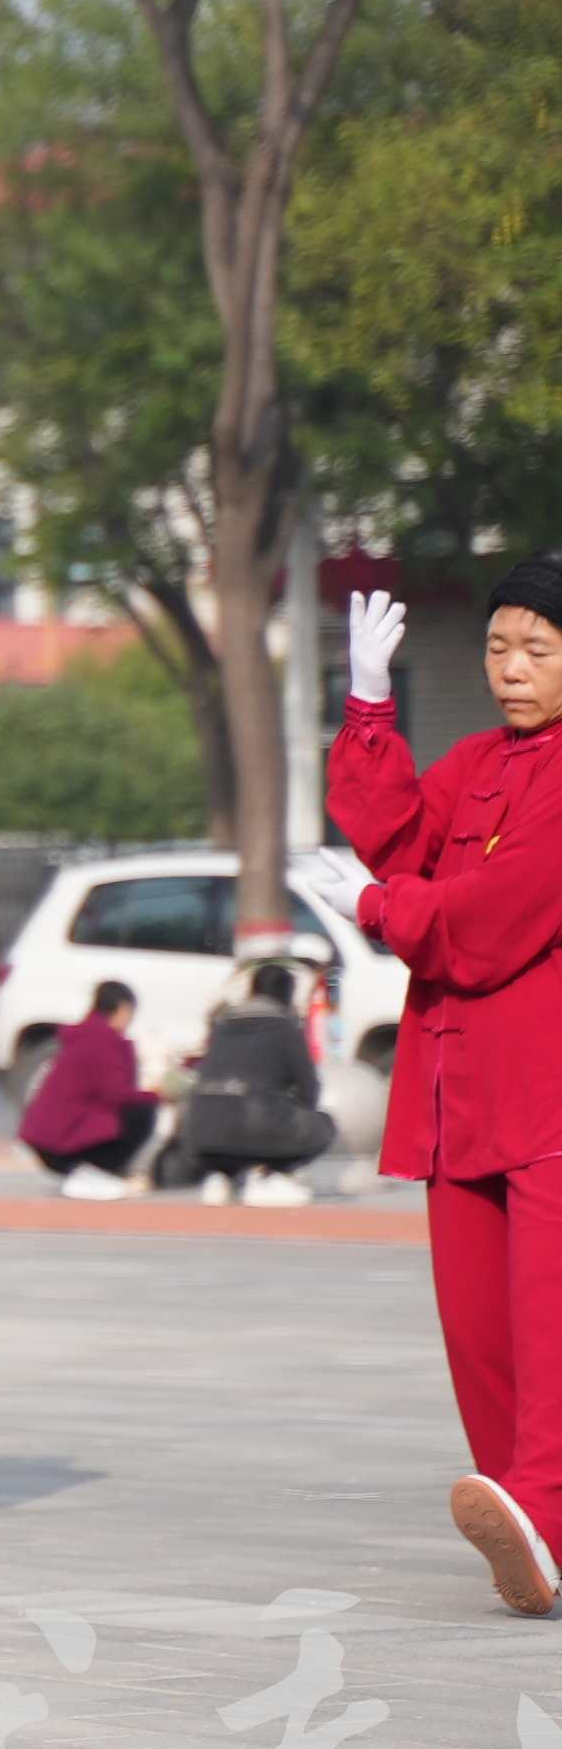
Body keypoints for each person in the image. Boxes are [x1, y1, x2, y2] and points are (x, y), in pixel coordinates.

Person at [315, 566, 562, 1617]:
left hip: (546, 1094)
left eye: (536, 650)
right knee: (476, 1331)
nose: (510, 667)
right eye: (499, 646)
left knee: (550, 1325)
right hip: (456, 1089)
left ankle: (542, 1510)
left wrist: (379, 906)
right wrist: (370, 701)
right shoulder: (473, 759)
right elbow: (398, 834)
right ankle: (531, 1513)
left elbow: (491, 914)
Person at [179, 963, 334, 1210]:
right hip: (255, 1127)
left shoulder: (222, 1025)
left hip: (199, 1135)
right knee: (324, 1125)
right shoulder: (285, 1028)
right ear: (287, 995)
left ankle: (221, 1178)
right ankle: (266, 1176)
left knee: (229, 1118)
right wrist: (292, 1110)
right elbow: (309, 1088)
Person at [18, 983, 159, 1199]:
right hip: (62, 1145)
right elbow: (117, 1095)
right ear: (123, 1009)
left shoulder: (84, 1036)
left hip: (46, 1139)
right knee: (141, 1112)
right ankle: (95, 1170)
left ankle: (93, 1170)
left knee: (132, 1110)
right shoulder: (102, 1041)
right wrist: (156, 1094)